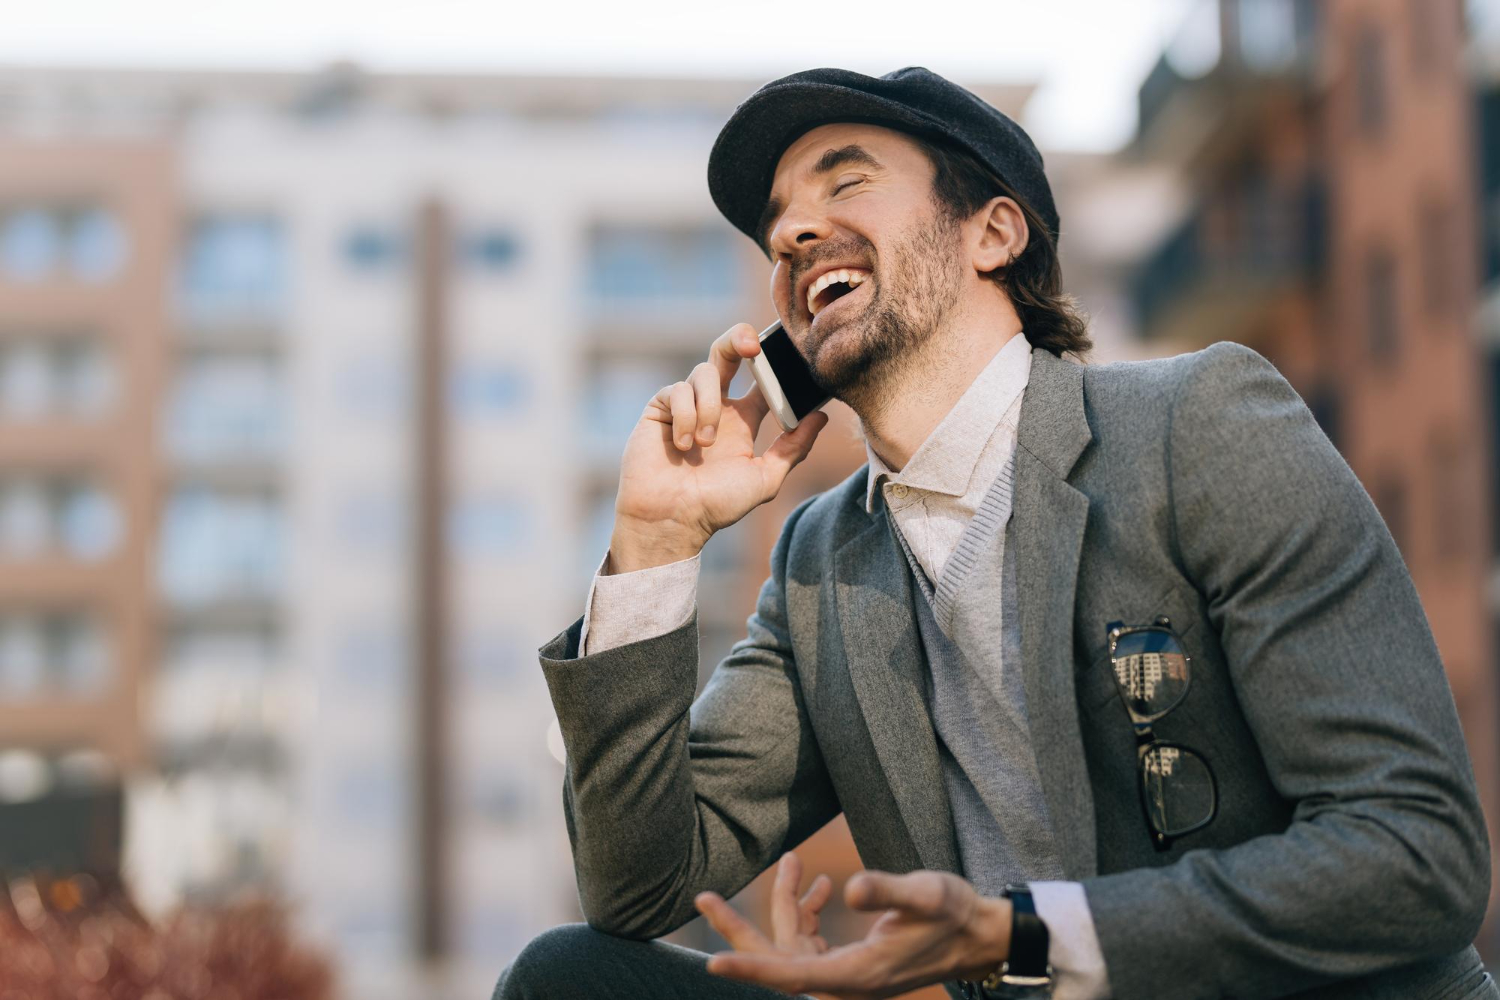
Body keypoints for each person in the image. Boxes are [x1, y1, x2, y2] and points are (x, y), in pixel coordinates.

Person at [494, 66, 1497, 1000]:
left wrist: (1026, 932)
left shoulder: (1200, 428)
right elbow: (638, 887)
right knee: (570, 977)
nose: (796, 231)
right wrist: (656, 542)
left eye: (844, 184)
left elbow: (1416, 852)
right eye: (778, 226)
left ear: (994, 233)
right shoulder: (820, 567)